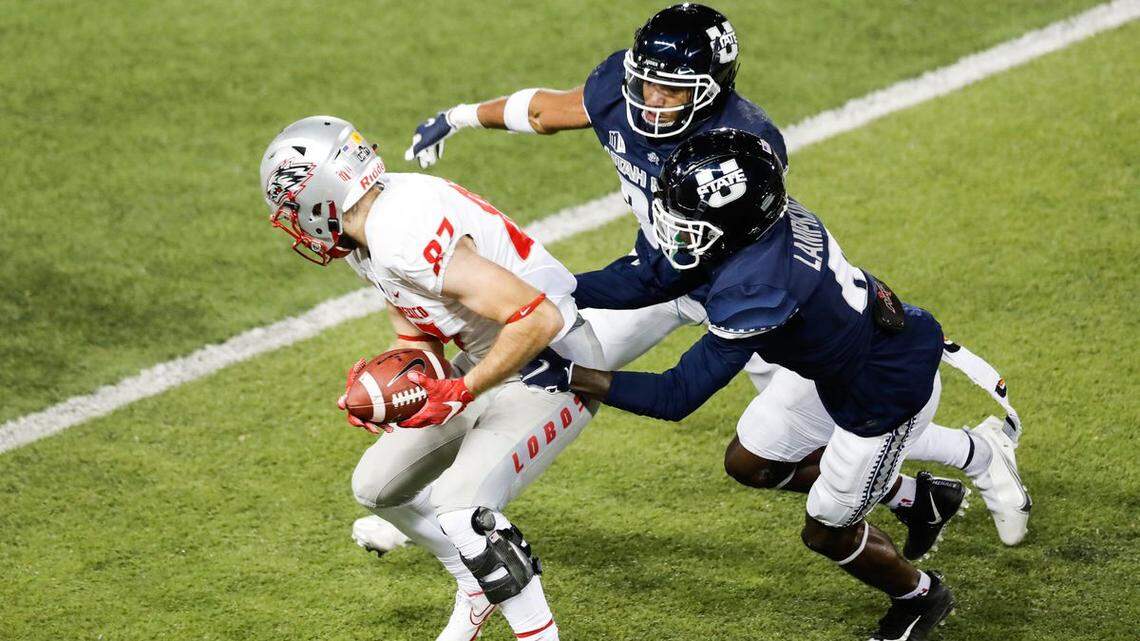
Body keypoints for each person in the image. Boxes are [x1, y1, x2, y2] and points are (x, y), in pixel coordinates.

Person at [388, 1, 1030, 555]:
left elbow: (740, 254)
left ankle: (970, 460)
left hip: (735, 289)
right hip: (661, 272)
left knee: (828, 419)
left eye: (671, 90)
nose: (650, 100)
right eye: (645, 83)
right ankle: (449, 506)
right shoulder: (626, 86)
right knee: (546, 354)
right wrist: (462, 114)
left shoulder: (742, 144)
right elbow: (552, 110)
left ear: (712, 89)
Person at [519, 128, 1020, 640]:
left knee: (825, 529)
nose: (674, 233)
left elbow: (675, 396)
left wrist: (569, 376)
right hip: (837, 361)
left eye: (689, 223)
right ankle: (921, 500)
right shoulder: (755, 226)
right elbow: (652, 280)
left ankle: (919, 596)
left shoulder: (759, 288)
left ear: (733, 226)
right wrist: (560, 287)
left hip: (880, 394)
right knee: (750, 462)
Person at [260, 115, 605, 641]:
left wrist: (460, 391)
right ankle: (474, 583)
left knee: (462, 509)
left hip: (557, 364)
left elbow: (537, 318)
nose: (295, 222)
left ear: (320, 193)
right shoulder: (369, 230)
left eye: (292, 206)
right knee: (376, 487)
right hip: (493, 357)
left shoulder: (399, 231)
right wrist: (398, 391)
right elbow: (417, 333)